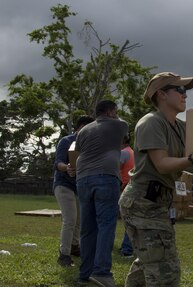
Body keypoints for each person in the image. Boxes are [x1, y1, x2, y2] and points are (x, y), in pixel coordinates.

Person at [119, 72, 193, 287]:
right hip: (143, 203)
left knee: (148, 263)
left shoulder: (179, 127)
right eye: (180, 90)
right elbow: (162, 163)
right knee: (164, 271)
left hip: (158, 202)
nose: (185, 95)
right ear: (162, 94)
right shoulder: (151, 123)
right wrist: (192, 159)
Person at [75, 100, 128, 286]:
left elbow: (79, 151)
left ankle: (84, 274)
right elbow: (124, 133)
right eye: (116, 110)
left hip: (83, 178)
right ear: (110, 111)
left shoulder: (83, 130)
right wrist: (115, 116)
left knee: (87, 228)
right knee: (106, 224)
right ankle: (101, 272)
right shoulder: (119, 124)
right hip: (105, 176)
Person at [53, 115, 94, 267]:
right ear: (81, 127)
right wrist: (68, 168)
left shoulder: (89, 144)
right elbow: (58, 163)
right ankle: (64, 254)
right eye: (89, 128)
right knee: (69, 218)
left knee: (79, 220)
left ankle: (74, 247)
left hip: (79, 185)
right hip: (63, 184)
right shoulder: (66, 141)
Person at [119, 134, 134, 258]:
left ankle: (126, 249)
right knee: (131, 219)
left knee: (128, 220)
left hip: (124, 188)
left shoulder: (123, 153)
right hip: (132, 188)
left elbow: (113, 169)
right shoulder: (132, 152)